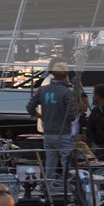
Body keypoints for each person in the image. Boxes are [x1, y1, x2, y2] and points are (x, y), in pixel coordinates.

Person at [27, 62, 77, 193]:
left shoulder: (42, 90)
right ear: (65, 75)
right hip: (63, 133)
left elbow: (29, 107)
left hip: (48, 134)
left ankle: (48, 188)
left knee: (50, 163)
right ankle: (68, 188)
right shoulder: (66, 92)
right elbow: (71, 116)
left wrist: (40, 116)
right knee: (67, 162)